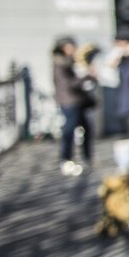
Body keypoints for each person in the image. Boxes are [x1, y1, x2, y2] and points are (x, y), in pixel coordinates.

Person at [52, 36, 96, 176]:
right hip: (70, 102)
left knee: (86, 128)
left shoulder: (69, 62)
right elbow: (69, 84)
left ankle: (86, 158)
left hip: (77, 101)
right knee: (69, 130)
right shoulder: (60, 63)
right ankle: (66, 159)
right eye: (72, 47)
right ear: (64, 47)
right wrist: (85, 75)